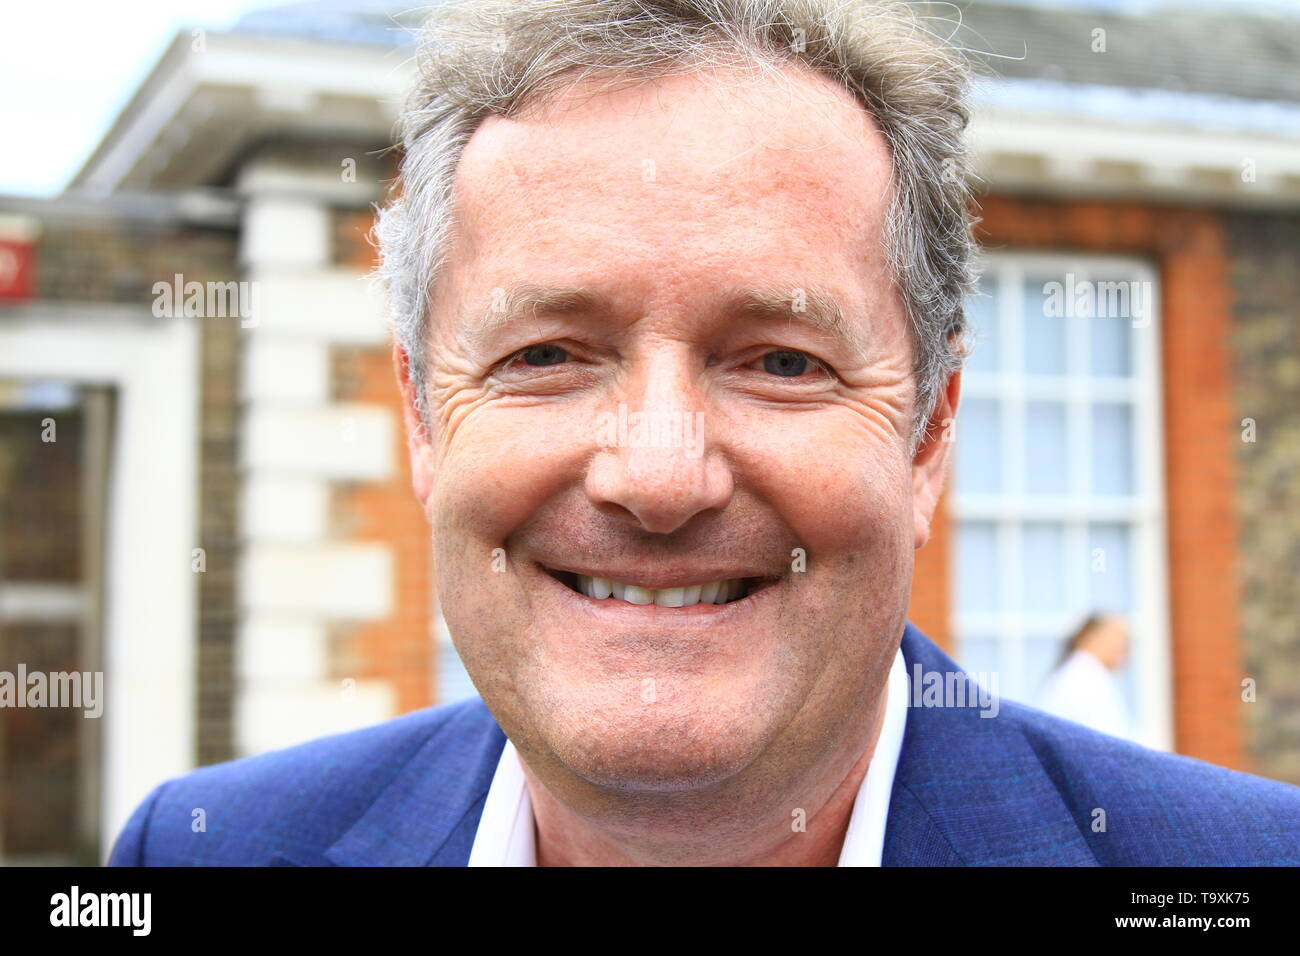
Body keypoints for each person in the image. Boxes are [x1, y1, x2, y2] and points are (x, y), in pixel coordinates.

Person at [109, 0, 1299, 866]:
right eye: (547, 356)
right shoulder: (202, 851)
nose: (659, 473)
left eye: (781, 361)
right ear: (423, 417)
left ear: (929, 432)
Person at [1039, 614, 1135, 742]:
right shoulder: (1083, 680)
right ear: (1090, 637)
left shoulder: (1087, 675)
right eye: (1118, 640)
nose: (1124, 650)